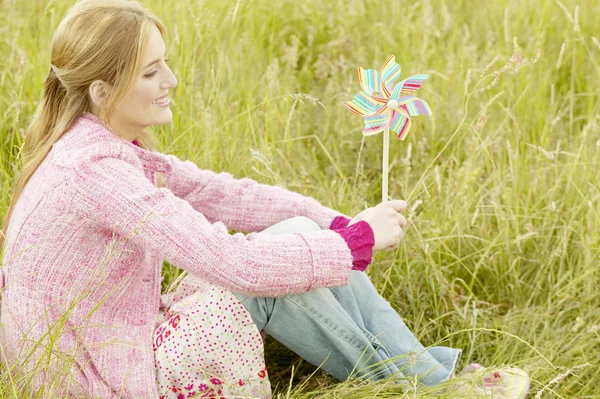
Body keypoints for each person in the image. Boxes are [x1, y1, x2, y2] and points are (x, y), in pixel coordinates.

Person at [0, 1, 529, 398]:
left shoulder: (101, 146)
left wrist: (334, 223)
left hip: (121, 339)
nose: (172, 81)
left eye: (165, 64)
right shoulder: (95, 171)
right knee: (278, 280)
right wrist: (352, 243)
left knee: (298, 238)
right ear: (99, 89)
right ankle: (435, 390)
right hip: (104, 378)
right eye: (150, 71)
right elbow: (235, 266)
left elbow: (221, 193)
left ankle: (434, 379)